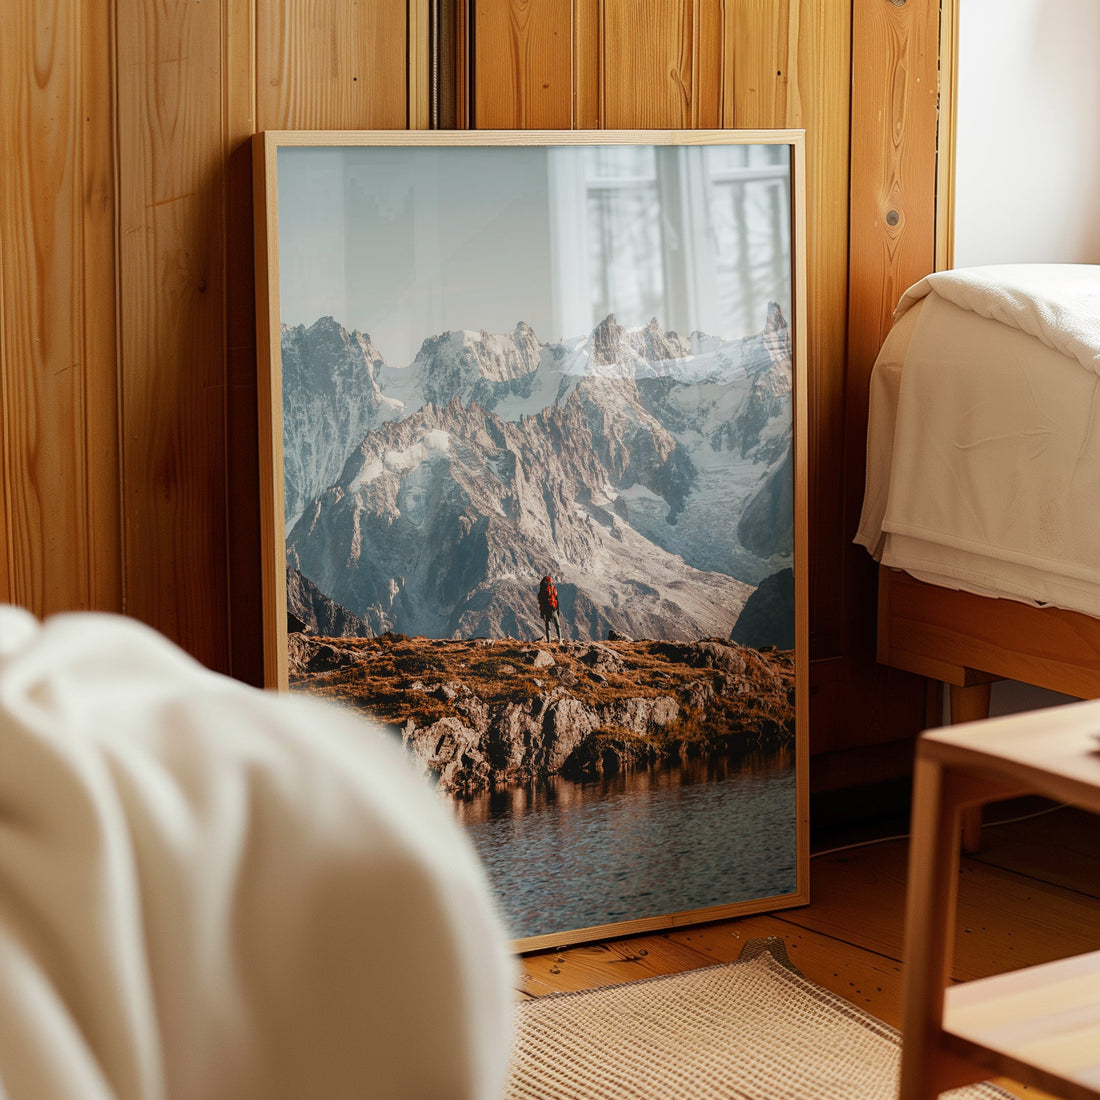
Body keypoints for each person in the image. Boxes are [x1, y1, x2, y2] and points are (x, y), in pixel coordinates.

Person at [537, 574, 564, 642]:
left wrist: (542, 612)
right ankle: (560, 639)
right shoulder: (553, 589)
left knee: (548, 627)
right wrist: (557, 610)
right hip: (554, 609)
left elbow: (541, 602)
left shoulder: (543, 590)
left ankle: (549, 641)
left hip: (547, 610)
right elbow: (556, 599)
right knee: (557, 625)